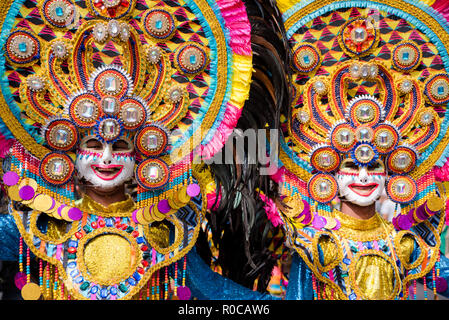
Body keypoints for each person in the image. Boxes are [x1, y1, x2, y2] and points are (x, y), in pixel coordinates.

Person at [187, 0, 449, 300]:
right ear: (331, 172)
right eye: (351, 165)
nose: (363, 177)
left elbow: (442, 282)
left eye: (373, 166)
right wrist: (183, 242)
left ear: (391, 174)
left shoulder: (404, 248)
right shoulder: (317, 246)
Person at [0, 0, 253, 300]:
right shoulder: (41, 224)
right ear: (71, 154)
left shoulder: (163, 232)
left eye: (119, 146)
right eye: (94, 145)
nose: (106, 157)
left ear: (139, 158)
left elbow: (216, 292)